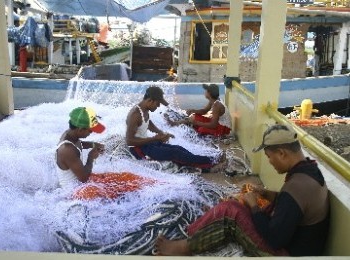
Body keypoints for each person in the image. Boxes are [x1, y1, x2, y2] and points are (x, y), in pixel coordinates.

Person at [155, 124, 330, 256]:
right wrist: (266, 194)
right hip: (294, 240)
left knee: (230, 212)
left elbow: (274, 240)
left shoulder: (296, 187)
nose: (270, 162)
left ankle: (183, 248)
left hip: (286, 253)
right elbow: (292, 206)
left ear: (282, 153)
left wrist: (254, 206)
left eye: (270, 157)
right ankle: (203, 227)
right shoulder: (309, 170)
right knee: (239, 203)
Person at [56, 107, 156, 200]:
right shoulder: (66, 149)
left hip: (84, 182)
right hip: (76, 191)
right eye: (90, 131)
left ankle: (157, 186)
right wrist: (91, 157)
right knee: (113, 191)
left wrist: (94, 144)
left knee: (126, 177)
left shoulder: (71, 135)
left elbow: (78, 144)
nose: (91, 133)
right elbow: (83, 178)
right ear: (80, 129)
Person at [126, 86, 225, 172]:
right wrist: (155, 138)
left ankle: (210, 160)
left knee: (178, 148)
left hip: (146, 144)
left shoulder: (144, 109)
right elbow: (130, 141)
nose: (158, 106)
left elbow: (148, 123)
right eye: (157, 104)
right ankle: (211, 162)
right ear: (150, 100)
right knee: (175, 154)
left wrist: (162, 133)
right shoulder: (135, 114)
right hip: (139, 150)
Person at [165, 84, 231, 137]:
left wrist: (197, 123)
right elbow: (204, 111)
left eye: (206, 91)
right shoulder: (213, 100)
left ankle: (179, 124)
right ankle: (175, 123)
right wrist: (192, 110)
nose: (204, 92)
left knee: (201, 129)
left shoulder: (217, 105)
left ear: (209, 93)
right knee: (194, 116)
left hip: (223, 129)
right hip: (218, 124)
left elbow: (213, 125)